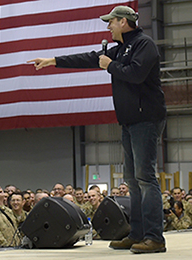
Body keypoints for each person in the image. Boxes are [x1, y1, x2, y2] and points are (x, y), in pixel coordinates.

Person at [28, 5, 167, 254]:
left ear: (124, 22)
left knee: (146, 179)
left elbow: (135, 74)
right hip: (129, 120)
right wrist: (54, 61)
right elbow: (89, 58)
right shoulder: (122, 49)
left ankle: (154, 237)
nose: (108, 27)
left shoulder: (144, 45)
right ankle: (136, 234)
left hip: (146, 119)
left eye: (111, 22)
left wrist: (109, 65)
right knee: (133, 183)